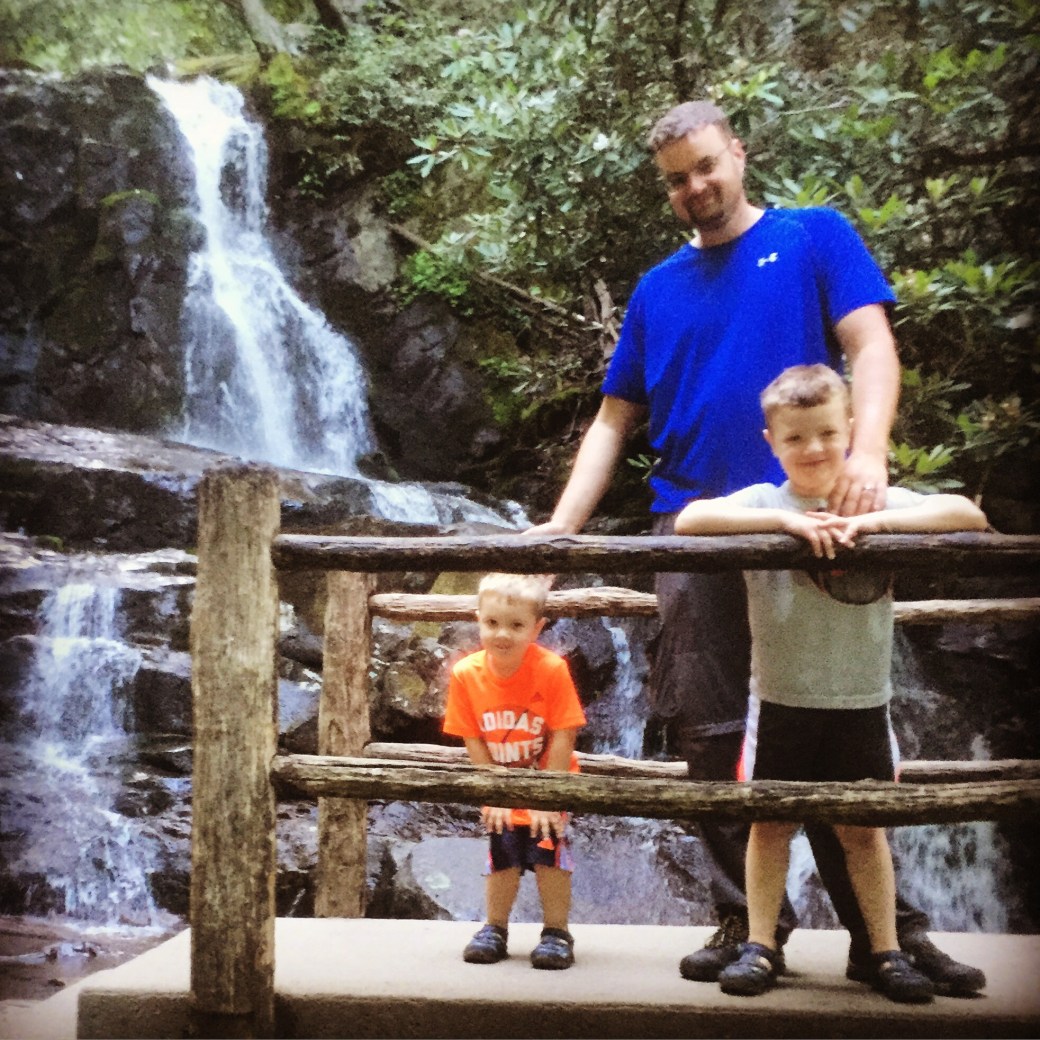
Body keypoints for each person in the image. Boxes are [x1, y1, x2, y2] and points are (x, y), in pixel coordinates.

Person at [527, 98, 986, 994]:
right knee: (711, 730)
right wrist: (558, 533)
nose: (695, 187)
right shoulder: (657, 288)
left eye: (706, 165)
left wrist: (867, 456)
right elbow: (614, 419)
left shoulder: (814, 236)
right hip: (696, 529)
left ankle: (887, 938)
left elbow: (871, 346)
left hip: (813, 518)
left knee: (836, 722)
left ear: (738, 153)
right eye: (676, 179)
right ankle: (746, 922)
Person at [674, 364, 989, 1001]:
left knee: (864, 829)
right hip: (779, 702)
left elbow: (967, 515)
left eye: (826, 433)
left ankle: (884, 950)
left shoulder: (871, 502)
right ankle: (761, 944)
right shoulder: (765, 504)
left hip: (863, 702)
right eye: (795, 437)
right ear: (771, 442)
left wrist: (876, 526)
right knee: (769, 825)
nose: (813, 448)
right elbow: (689, 520)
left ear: (849, 429)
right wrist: (786, 526)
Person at [443, 572, 587, 970]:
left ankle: (556, 932)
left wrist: (548, 797)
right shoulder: (466, 674)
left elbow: (564, 732)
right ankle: (494, 928)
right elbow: (472, 737)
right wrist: (494, 794)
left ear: (537, 628)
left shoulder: (552, 670)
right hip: (499, 784)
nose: (502, 634)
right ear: (478, 620)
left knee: (548, 852)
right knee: (501, 851)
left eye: (516, 625)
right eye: (492, 623)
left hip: (549, 781)